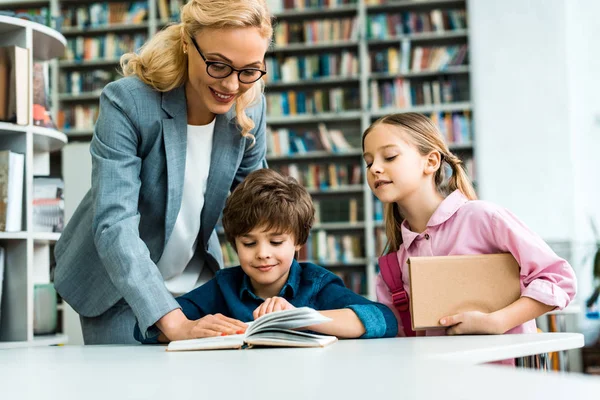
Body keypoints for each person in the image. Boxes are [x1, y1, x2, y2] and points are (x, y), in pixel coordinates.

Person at [53, 0, 273, 344]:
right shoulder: (128, 102)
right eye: (218, 65)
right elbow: (115, 223)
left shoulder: (251, 108)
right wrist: (174, 323)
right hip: (117, 285)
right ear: (187, 42)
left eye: (248, 71)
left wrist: (286, 292)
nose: (232, 85)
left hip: (198, 281)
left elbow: (265, 212)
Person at [362, 113, 577, 339]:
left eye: (389, 156)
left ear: (431, 162)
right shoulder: (391, 267)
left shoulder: (483, 218)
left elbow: (559, 279)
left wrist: (498, 321)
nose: (374, 168)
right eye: (368, 162)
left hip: (504, 373)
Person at [134, 169, 398, 343]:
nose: (262, 254)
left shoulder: (316, 284)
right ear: (235, 244)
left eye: (275, 241)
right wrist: (191, 330)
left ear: (298, 241)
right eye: (249, 243)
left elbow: (385, 320)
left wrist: (302, 317)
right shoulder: (224, 285)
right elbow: (146, 330)